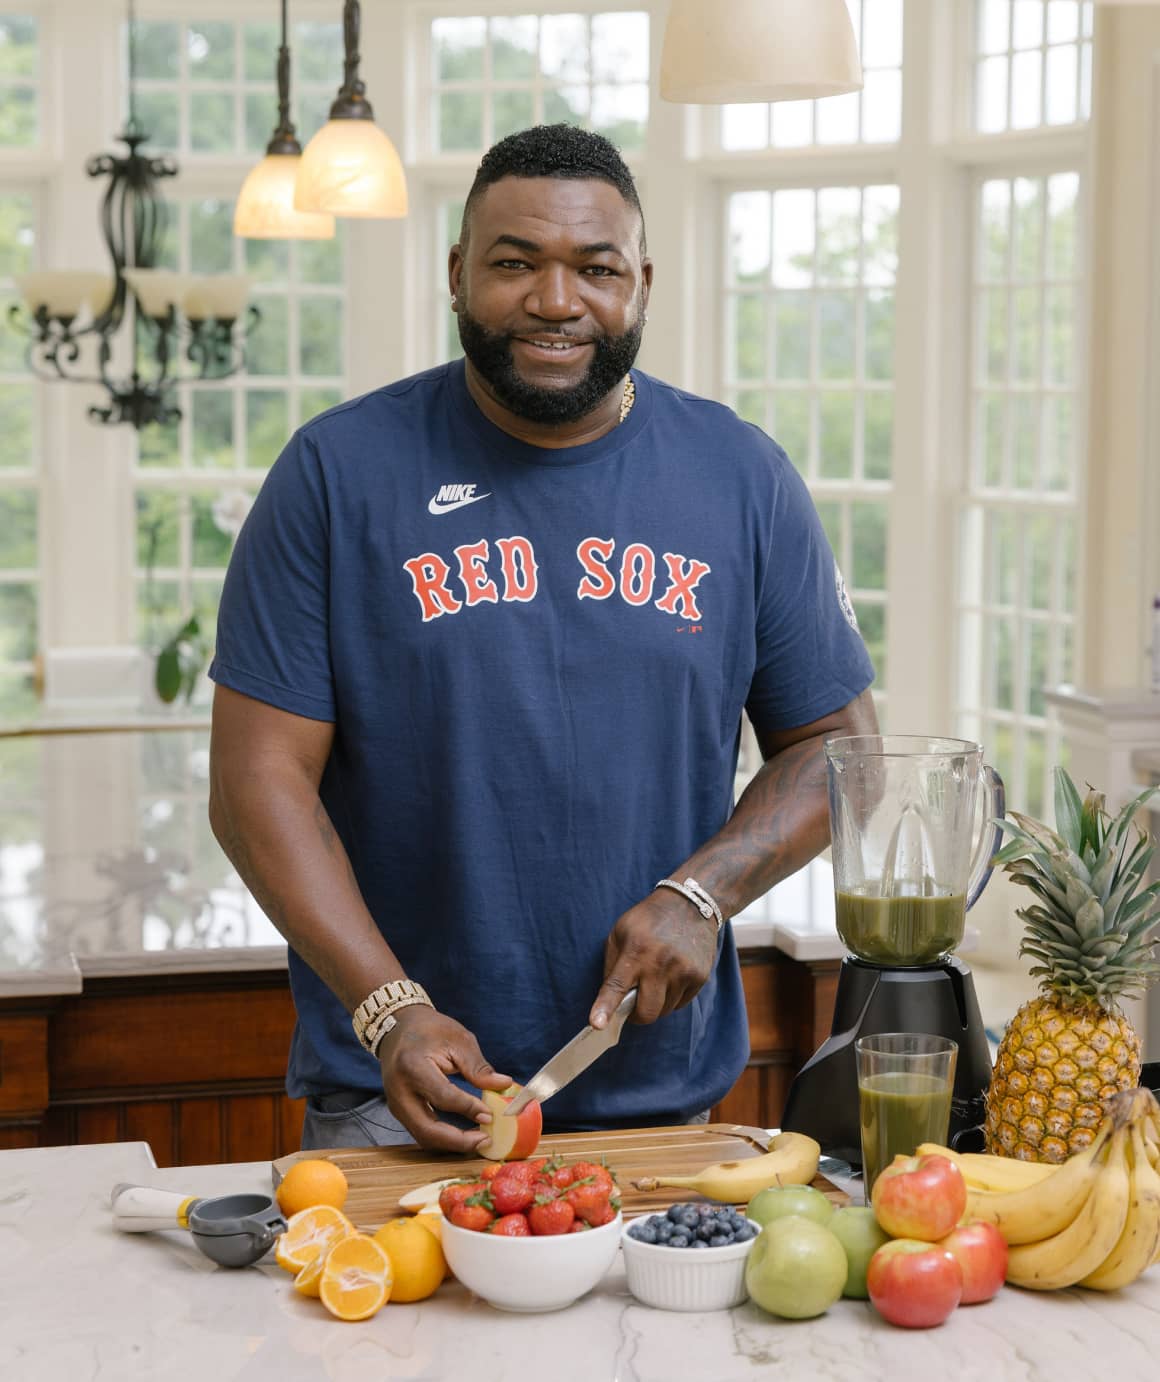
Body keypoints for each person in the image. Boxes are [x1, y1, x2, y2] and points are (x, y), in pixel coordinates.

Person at [208, 124, 877, 1154]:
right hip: (396, 1104)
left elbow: (838, 746)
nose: (555, 301)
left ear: (640, 283)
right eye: (513, 263)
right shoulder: (334, 476)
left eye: (593, 268)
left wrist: (701, 892)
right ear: (456, 274)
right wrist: (390, 1007)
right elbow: (257, 785)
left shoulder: (740, 478)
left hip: (656, 1099)